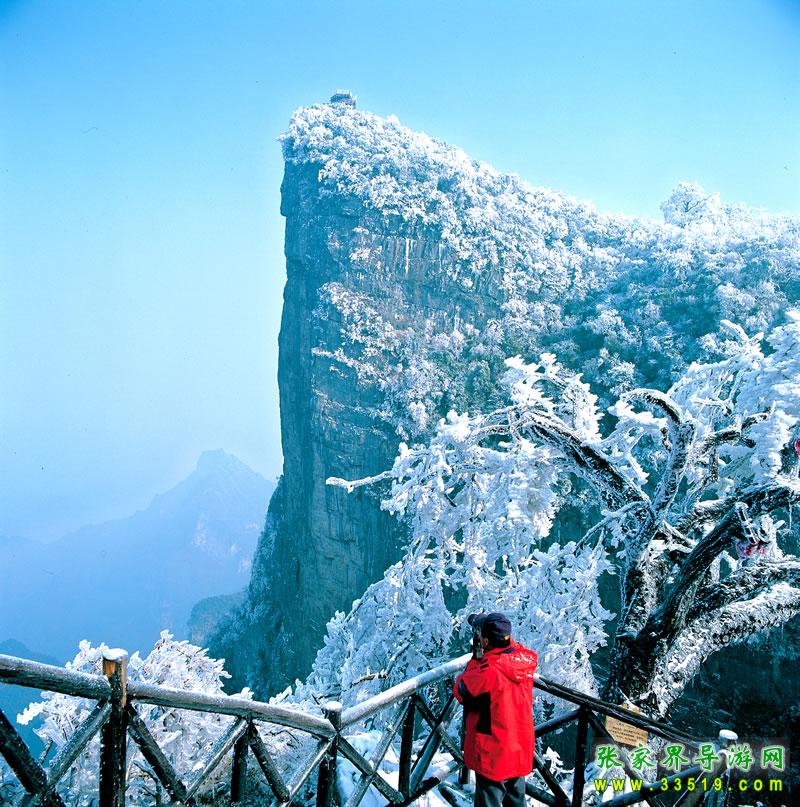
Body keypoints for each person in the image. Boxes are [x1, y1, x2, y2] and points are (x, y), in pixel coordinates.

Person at [453, 612, 538, 807]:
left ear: (486, 641)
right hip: (518, 746)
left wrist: (476, 660)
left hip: (495, 751)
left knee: (489, 801)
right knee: (516, 800)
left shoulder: (489, 671)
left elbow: (461, 689)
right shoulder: (521, 658)